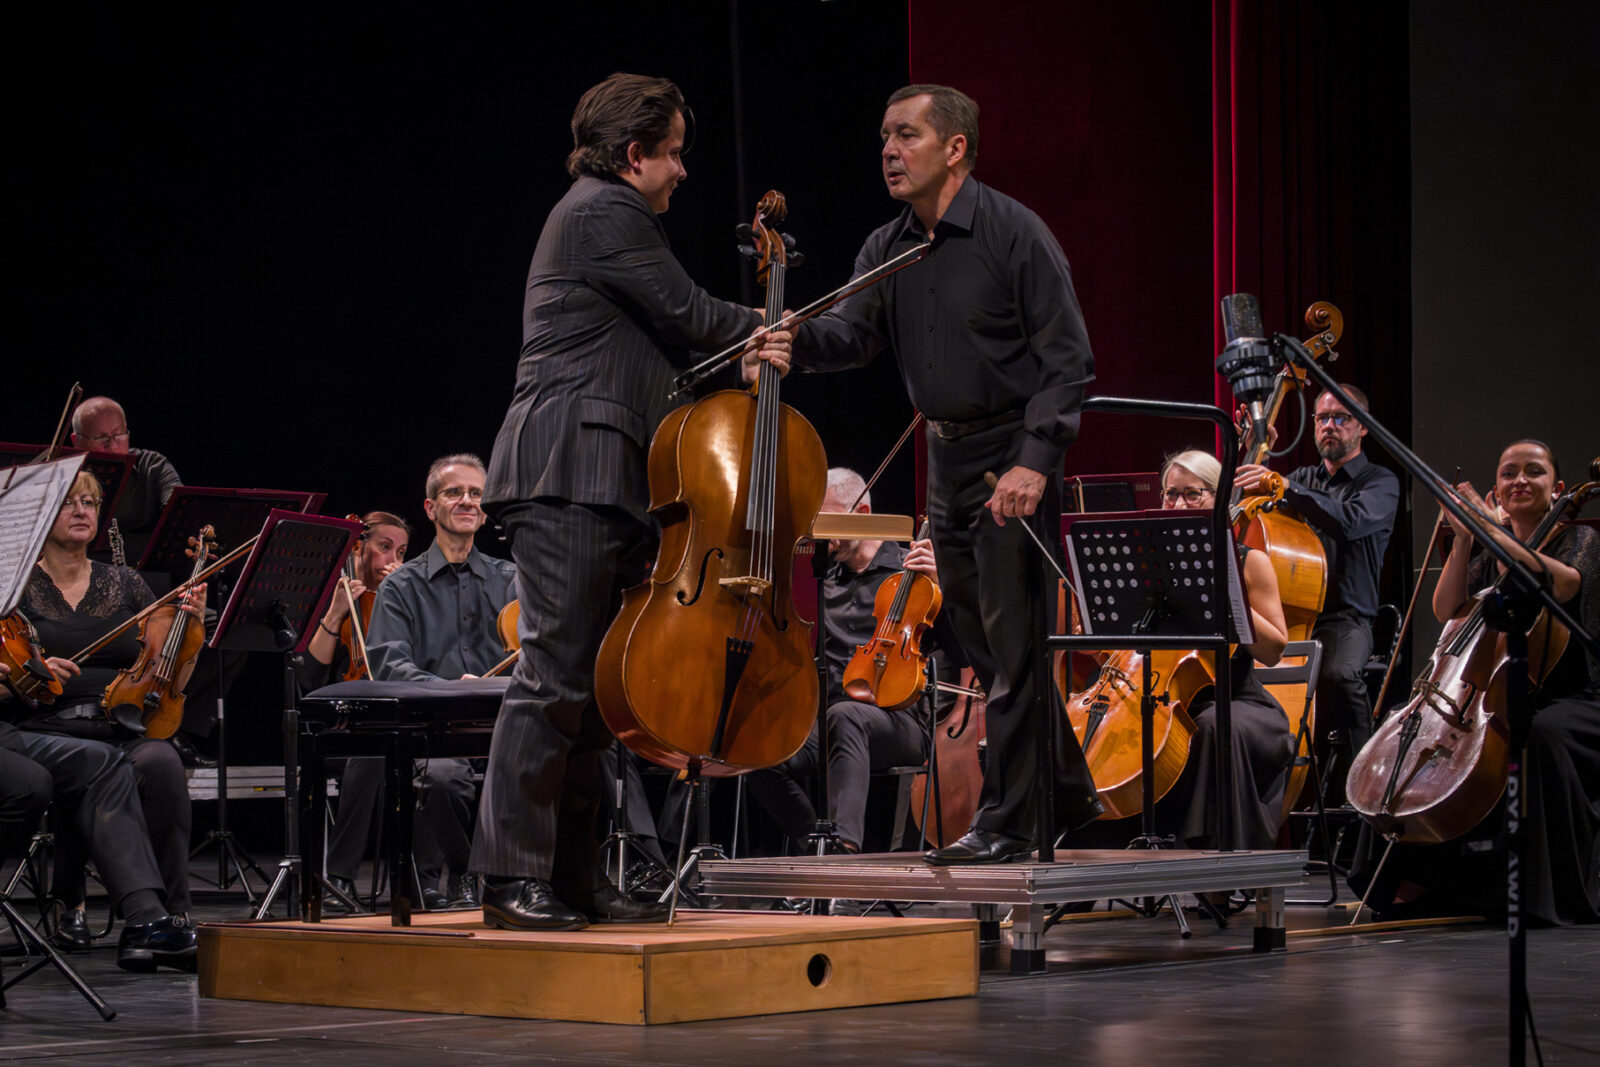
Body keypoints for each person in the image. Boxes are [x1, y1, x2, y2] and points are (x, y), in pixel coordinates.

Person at [469, 72, 787, 931]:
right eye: (673, 153)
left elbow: (670, 346)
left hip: (607, 477)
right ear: (632, 153)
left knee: (595, 698)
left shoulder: (604, 218)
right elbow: (689, 312)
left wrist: (742, 351)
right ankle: (508, 877)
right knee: (553, 679)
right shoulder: (604, 210)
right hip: (567, 469)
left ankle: (572, 879)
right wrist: (770, 326)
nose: (682, 170)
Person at [791, 84, 1101, 864]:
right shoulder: (889, 245)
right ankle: (1068, 791)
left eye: (907, 135)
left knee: (1015, 643)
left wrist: (1036, 459)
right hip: (948, 457)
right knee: (985, 645)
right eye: (884, 138)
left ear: (954, 147)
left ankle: (1010, 822)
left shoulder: (1015, 233)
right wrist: (790, 340)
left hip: (1010, 457)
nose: (889, 151)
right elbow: (852, 335)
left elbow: (1068, 360)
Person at [7, 469, 202, 957]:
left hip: (120, 721)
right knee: (96, 761)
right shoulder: (15, 589)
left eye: (90, 503)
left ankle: (172, 914)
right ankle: (86, 905)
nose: (81, 511)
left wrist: (190, 629)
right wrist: (33, 670)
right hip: (45, 723)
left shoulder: (127, 582)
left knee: (161, 762)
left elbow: (166, 667)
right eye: (68, 502)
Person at [745, 468, 962, 855]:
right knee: (757, 744)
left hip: (900, 723)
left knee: (846, 716)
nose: (819, 534)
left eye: (827, 521)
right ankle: (819, 847)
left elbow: (960, 651)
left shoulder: (912, 574)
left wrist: (941, 589)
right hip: (829, 720)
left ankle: (844, 851)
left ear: (861, 514)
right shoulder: (820, 581)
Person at [1429, 440, 1598, 924]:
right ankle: (1432, 880)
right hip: (1508, 695)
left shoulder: (1581, 540)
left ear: (1557, 488)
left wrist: (1490, 529)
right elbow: (1447, 609)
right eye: (1508, 473)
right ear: (1497, 491)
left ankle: (1542, 893)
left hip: (1579, 697)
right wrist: (1465, 538)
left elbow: (1554, 583)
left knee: (1540, 734)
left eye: (1533, 471)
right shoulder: (1489, 553)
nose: (1519, 479)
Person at [1235, 385, 1399, 800]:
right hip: (1288, 616)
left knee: (1338, 676)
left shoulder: (1380, 482)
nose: (1329, 425)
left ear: (1363, 427)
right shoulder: (1301, 479)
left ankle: (1366, 784)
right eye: (1322, 418)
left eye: (1341, 417)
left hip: (1346, 620)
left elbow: (1348, 522)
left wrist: (1284, 485)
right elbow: (1240, 515)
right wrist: (1255, 453)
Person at [364, 457, 513, 909]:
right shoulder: (401, 587)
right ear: (431, 508)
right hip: (434, 729)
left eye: (476, 494)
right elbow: (389, 665)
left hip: (503, 726)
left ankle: (532, 878)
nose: (467, 501)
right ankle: (460, 875)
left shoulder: (512, 582)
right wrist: (447, 687)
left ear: (484, 511)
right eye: (454, 493)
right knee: (444, 777)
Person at [1155, 451, 1293, 853]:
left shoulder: (1251, 562)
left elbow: (1273, 649)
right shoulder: (1151, 563)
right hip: (1171, 701)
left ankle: (1209, 857)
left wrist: (1226, 590)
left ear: (1219, 499)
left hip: (1239, 703)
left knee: (1213, 725)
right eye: (1170, 494)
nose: (1178, 505)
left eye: (1192, 494)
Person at [295, 510, 410, 907]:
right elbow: (309, 679)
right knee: (370, 752)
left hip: (399, 718)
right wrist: (336, 613)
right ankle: (340, 876)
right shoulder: (331, 597)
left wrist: (402, 599)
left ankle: (429, 881)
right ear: (359, 549)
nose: (393, 559)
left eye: (401, 552)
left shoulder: (405, 599)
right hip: (341, 727)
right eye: (385, 547)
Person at [69, 396, 182, 564]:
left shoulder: (152, 465)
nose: (112, 445)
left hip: (146, 573)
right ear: (77, 441)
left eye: (118, 435)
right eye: (101, 438)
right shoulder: (65, 478)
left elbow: (177, 507)